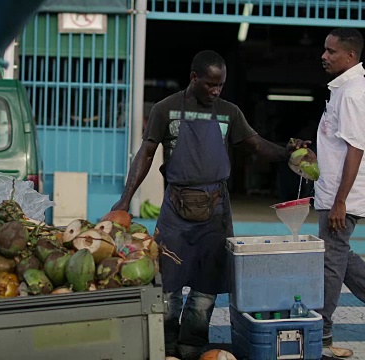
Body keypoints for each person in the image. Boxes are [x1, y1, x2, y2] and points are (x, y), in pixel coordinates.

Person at [111, 50, 307, 359]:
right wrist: (124, 199)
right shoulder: (167, 109)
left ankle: (192, 346)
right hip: (175, 208)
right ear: (194, 78)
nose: (215, 91)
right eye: (210, 85)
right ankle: (166, 343)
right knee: (169, 287)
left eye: (220, 86)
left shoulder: (229, 112)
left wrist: (287, 153)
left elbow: (257, 145)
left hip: (216, 209)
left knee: (206, 289)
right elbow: (146, 153)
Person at [316, 27, 365, 359]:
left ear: (350, 56)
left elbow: (356, 148)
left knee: (331, 263)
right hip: (333, 194)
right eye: (325, 49)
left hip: (340, 198)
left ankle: (322, 334)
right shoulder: (343, 89)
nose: (324, 55)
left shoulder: (352, 93)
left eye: (331, 51)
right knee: (340, 256)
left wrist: (340, 201)